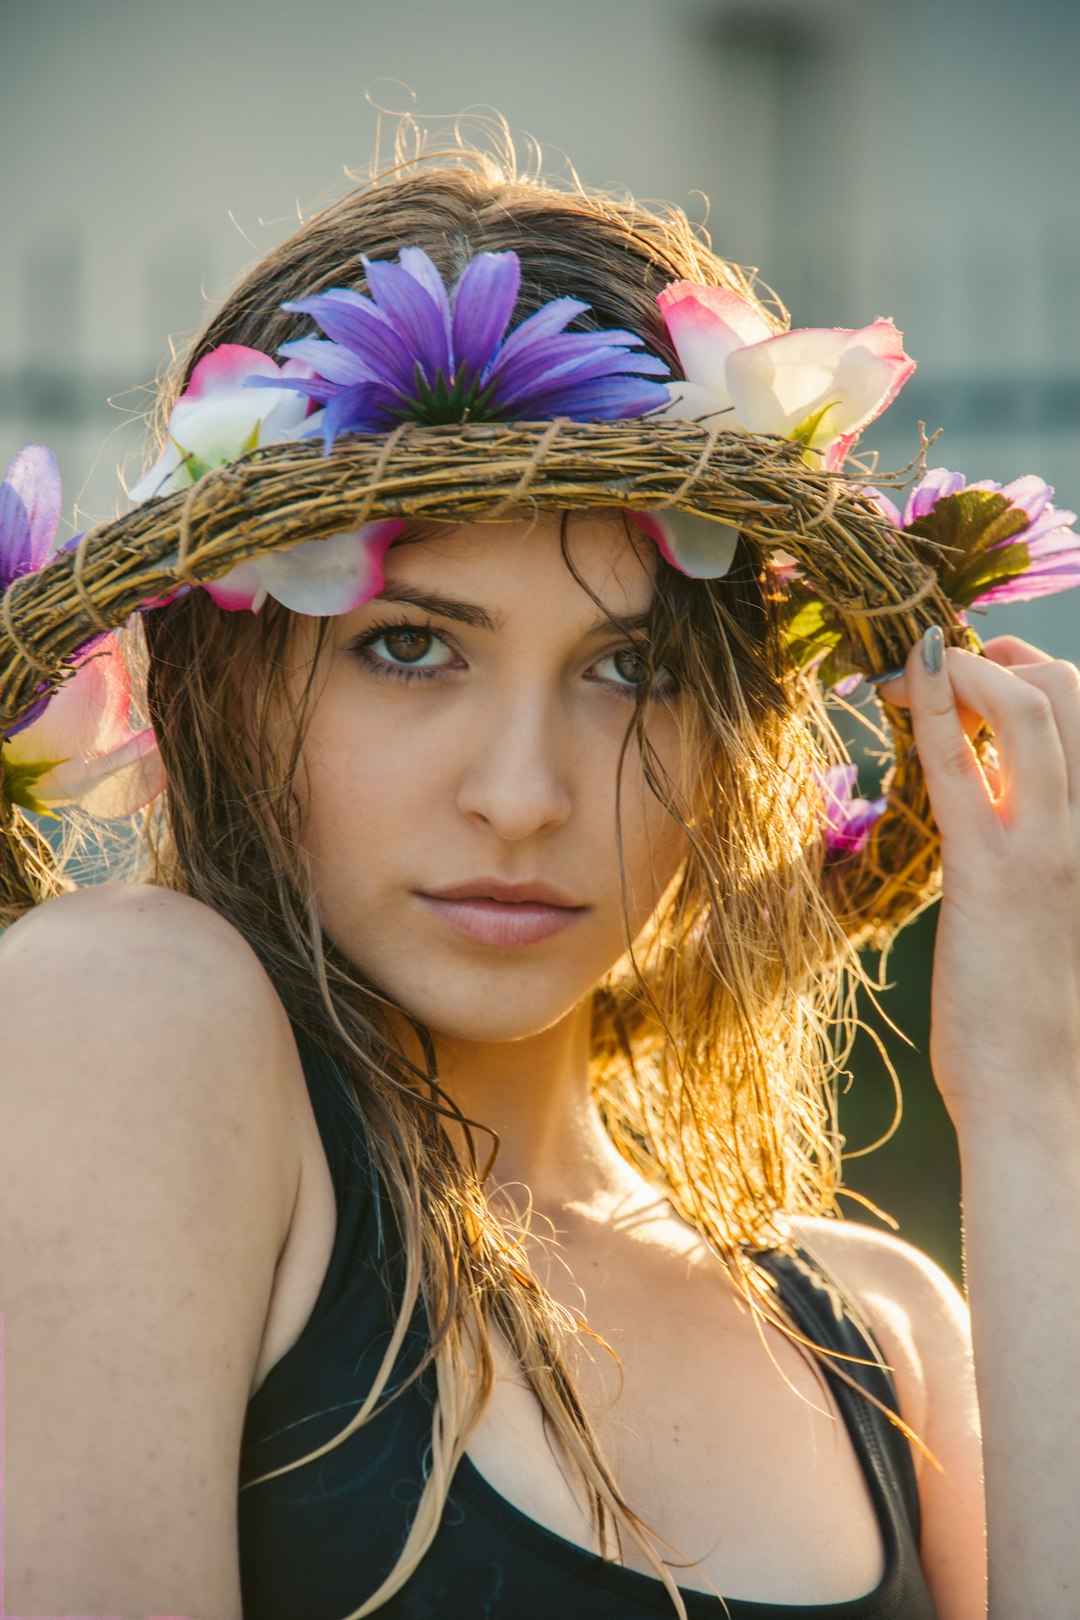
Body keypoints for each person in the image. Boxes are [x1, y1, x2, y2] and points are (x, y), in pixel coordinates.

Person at [1, 135, 1078, 1620]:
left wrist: (1033, 1100)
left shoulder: (885, 1337)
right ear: (231, 686)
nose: (521, 796)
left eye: (631, 668)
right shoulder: (127, 1020)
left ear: (741, 732)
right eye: (409, 645)